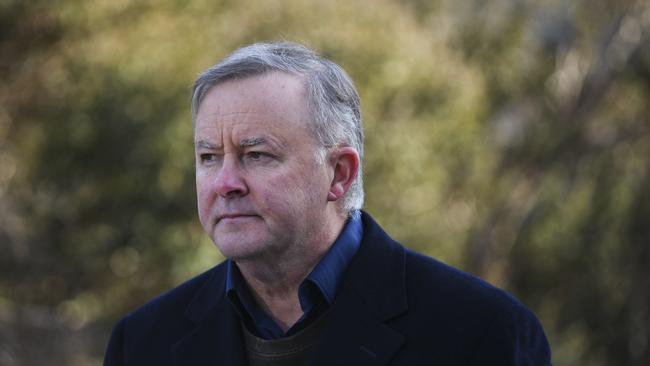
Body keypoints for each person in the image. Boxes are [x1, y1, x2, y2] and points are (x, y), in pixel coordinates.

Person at [104, 41, 551, 366]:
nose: (225, 182)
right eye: (208, 157)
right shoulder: (143, 343)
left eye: (257, 155)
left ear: (339, 173)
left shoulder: (482, 332)